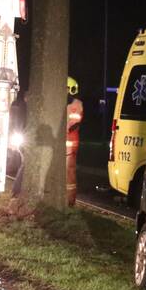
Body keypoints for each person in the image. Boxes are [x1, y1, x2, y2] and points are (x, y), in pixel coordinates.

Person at [66, 77, 83, 206]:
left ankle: (70, 200)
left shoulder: (76, 105)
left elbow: (74, 124)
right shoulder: (65, 103)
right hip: (65, 142)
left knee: (69, 171)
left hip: (70, 143)